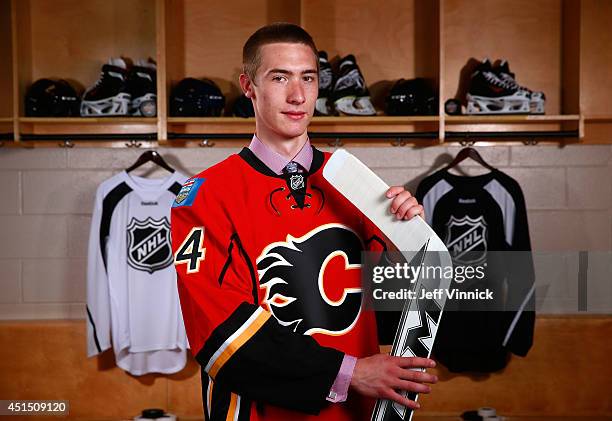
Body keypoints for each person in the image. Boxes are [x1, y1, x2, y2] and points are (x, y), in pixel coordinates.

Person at [170, 22, 437, 421]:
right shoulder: (203, 196)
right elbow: (220, 333)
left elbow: (389, 303)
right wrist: (350, 372)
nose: (298, 96)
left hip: (359, 411)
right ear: (249, 86)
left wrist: (413, 242)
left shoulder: (359, 185)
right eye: (279, 78)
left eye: (308, 79)